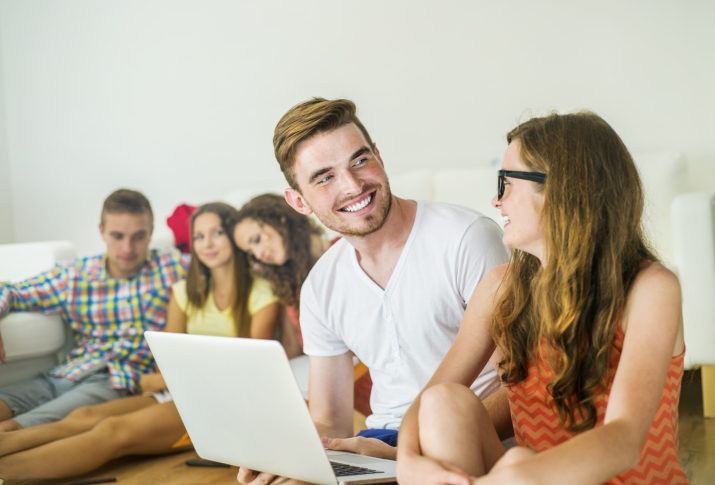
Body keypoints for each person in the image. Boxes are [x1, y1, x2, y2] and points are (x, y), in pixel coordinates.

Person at [395, 112, 689, 485]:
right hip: (524, 477)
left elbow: (625, 439)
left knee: (517, 461)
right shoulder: (502, 287)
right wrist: (405, 458)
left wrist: (522, 476)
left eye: (506, 183)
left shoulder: (650, 288)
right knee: (443, 404)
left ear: (562, 189)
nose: (495, 200)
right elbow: (427, 398)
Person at [238, 98, 510, 485]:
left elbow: (520, 391)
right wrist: (293, 455)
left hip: (467, 437)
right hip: (375, 443)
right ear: (299, 201)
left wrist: (405, 453)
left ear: (379, 156)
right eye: (324, 177)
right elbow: (329, 419)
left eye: (360, 160)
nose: (353, 185)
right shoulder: (321, 285)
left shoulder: (467, 238)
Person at [0, 202, 282, 481]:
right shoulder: (186, 291)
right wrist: (164, 379)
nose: (207, 243)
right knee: (84, 416)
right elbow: (165, 364)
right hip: (170, 388)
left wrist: (165, 379)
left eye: (217, 233)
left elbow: (251, 370)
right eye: (198, 236)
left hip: (216, 398)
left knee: (110, 430)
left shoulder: (258, 291)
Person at [0, 189, 188, 431]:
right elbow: (11, 290)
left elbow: (224, 266)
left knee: (12, 430)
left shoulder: (173, 265)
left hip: (117, 381)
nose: (128, 247)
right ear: (102, 232)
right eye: (117, 236)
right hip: (64, 374)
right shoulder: (76, 274)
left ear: (151, 232)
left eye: (138, 236)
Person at [232, 192, 329, 350]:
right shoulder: (287, 280)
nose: (258, 254)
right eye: (251, 252)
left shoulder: (345, 254)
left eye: (256, 240)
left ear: (279, 219)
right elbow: (292, 345)